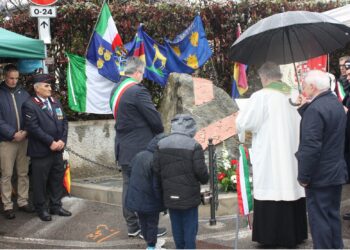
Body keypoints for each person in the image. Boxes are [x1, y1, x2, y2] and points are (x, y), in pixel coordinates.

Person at [235, 61, 307, 248]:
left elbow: (247, 123)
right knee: (290, 185)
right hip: (292, 153)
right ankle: (295, 234)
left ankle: (271, 236)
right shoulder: (293, 94)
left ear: (264, 77)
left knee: (272, 185)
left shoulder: (261, 96)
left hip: (271, 154)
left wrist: (240, 123)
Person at [109, 57, 166, 237]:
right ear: (138, 72)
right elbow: (155, 120)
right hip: (140, 148)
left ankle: (132, 226)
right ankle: (147, 229)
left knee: (128, 186)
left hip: (124, 147)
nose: (142, 77)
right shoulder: (137, 91)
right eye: (142, 74)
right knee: (145, 188)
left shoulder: (115, 90)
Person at [296, 70, 348, 249]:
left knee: (319, 220)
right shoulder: (335, 103)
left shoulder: (316, 109)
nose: (302, 89)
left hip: (319, 175)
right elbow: (328, 129)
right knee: (332, 216)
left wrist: (303, 176)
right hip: (335, 171)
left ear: (313, 86)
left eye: (304, 86)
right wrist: (305, 109)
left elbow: (311, 147)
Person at [152, 114, 209, 249]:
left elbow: (156, 169)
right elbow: (201, 172)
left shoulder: (161, 144)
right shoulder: (194, 145)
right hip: (189, 196)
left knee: (176, 226)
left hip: (170, 194)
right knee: (190, 228)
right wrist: (205, 179)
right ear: (191, 128)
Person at [22, 74, 71, 222]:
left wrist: (62, 140)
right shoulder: (29, 104)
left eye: (50, 85)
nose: (50, 88)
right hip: (41, 151)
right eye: (46, 85)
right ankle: (41, 208)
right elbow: (33, 128)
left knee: (56, 179)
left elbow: (65, 123)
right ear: (37, 88)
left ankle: (55, 205)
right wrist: (51, 142)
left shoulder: (55, 102)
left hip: (57, 150)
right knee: (40, 182)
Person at [0, 64, 34, 219]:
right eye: (11, 78)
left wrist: (26, 131)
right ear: (4, 76)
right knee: (6, 174)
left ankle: (23, 201)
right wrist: (13, 133)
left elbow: (30, 113)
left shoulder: (23, 93)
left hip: (24, 139)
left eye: (16, 78)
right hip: (6, 141)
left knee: (23, 172)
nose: (14, 81)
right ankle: (7, 205)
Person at [125, 134, 167, 250]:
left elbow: (129, 172)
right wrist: (163, 204)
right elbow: (156, 186)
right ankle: (152, 246)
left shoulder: (139, 155)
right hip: (150, 200)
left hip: (136, 197)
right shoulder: (156, 160)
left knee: (143, 222)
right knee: (152, 224)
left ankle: (150, 242)